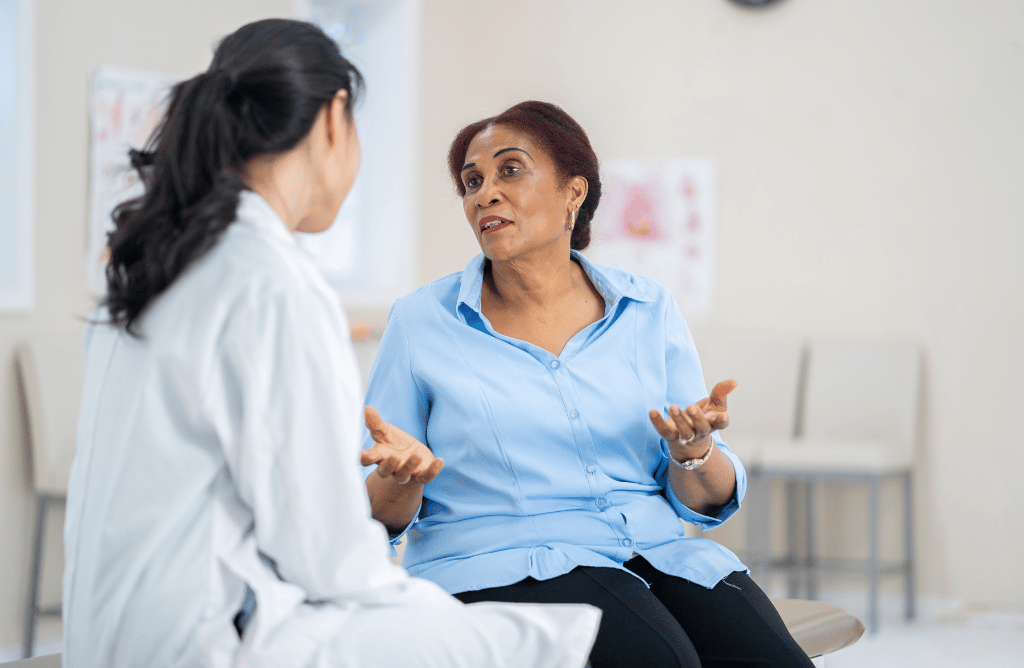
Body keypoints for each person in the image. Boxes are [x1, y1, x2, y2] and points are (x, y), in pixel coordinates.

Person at [62, 22, 600, 668]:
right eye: (471, 179)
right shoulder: (272, 281)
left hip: (107, 635)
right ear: (333, 117)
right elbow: (331, 558)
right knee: (545, 643)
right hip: (206, 640)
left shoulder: (153, 268)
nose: (484, 193)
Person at [360, 100, 815, 668]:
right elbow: (371, 518)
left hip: (655, 554)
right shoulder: (422, 321)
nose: (484, 194)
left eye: (510, 170)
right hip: (497, 563)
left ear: (573, 192)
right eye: (471, 182)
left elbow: (702, 502)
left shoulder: (648, 309)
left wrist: (693, 451)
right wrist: (397, 477)